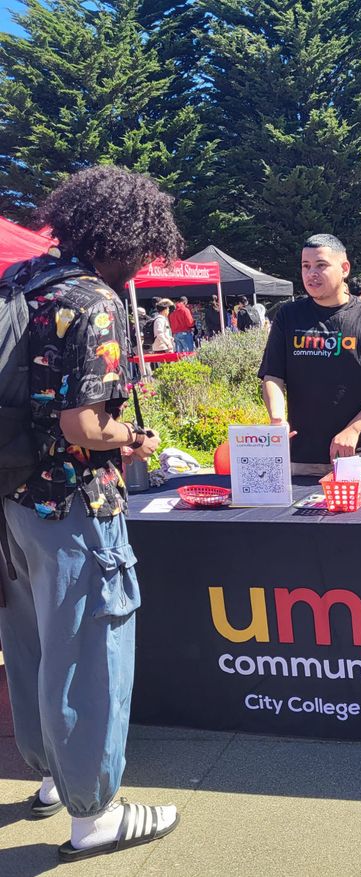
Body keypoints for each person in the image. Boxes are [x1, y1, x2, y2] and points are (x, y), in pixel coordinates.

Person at [0, 165, 182, 861]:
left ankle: (51, 776)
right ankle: (94, 813)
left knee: (31, 643)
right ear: (127, 238)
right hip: (74, 501)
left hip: (12, 498)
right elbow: (83, 424)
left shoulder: (24, 281)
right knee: (87, 652)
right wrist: (133, 438)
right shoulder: (94, 300)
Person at [258, 234, 361, 476]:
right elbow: (273, 375)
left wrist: (354, 429)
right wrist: (277, 418)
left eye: (321, 265)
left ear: (344, 268)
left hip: (358, 457)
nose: (311, 274)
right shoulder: (288, 316)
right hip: (300, 458)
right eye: (306, 266)